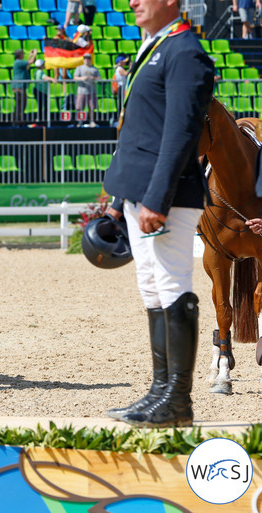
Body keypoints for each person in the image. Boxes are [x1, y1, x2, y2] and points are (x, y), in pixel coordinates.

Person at [102, 0, 214, 427]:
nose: (132, 2)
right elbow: (140, 130)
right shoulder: (155, 46)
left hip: (165, 195)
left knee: (172, 286)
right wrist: (120, 195)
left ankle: (178, 402)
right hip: (140, 192)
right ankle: (158, 392)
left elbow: (181, 133)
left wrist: (157, 198)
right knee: (152, 289)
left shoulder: (186, 51)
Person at [11, 50, 37, 127]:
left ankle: (19, 120)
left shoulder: (19, 62)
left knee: (22, 104)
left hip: (21, 86)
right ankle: (17, 121)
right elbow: (31, 62)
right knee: (20, 104)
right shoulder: (18, 62)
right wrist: (34, 54)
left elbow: (27, 65)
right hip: (19, 86)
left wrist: (30, 55)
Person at [74, 53, 100, 126]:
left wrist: (94, 78)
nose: (87, 60)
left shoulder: (94, 69)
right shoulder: (79, 68)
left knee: (91, 107)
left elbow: (99, 78)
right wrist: (82, 78)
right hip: (82, 90)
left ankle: (91, 121)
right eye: (85, 58)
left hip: (91, 90)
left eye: (88, 58)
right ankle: (80, 121)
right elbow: (75, 77)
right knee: (80, 107)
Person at [32, 59, 57, 126]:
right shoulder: (40, 72)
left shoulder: (36, 72)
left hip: (40, 91)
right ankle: (43, 120)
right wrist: (52, 79)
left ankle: (41, 119)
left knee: (41, 106)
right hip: (40, 91)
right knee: (44, 106)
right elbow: (44, 77)